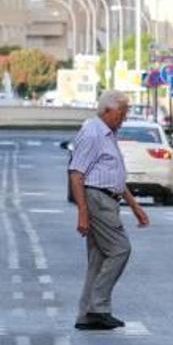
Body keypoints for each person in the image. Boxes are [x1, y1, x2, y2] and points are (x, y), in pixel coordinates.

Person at [69, 90, 150, 331]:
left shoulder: (108, 133)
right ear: (106, 111)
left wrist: (135, 206)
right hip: (98, 200)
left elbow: (112, 176)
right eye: (121, 113)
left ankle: (86, 314)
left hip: (108, 198)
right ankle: (98, 308)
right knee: (120, 250)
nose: (123, 118)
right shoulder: (93, 133)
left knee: (98, 258)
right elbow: (76, 174)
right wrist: (82, 212)